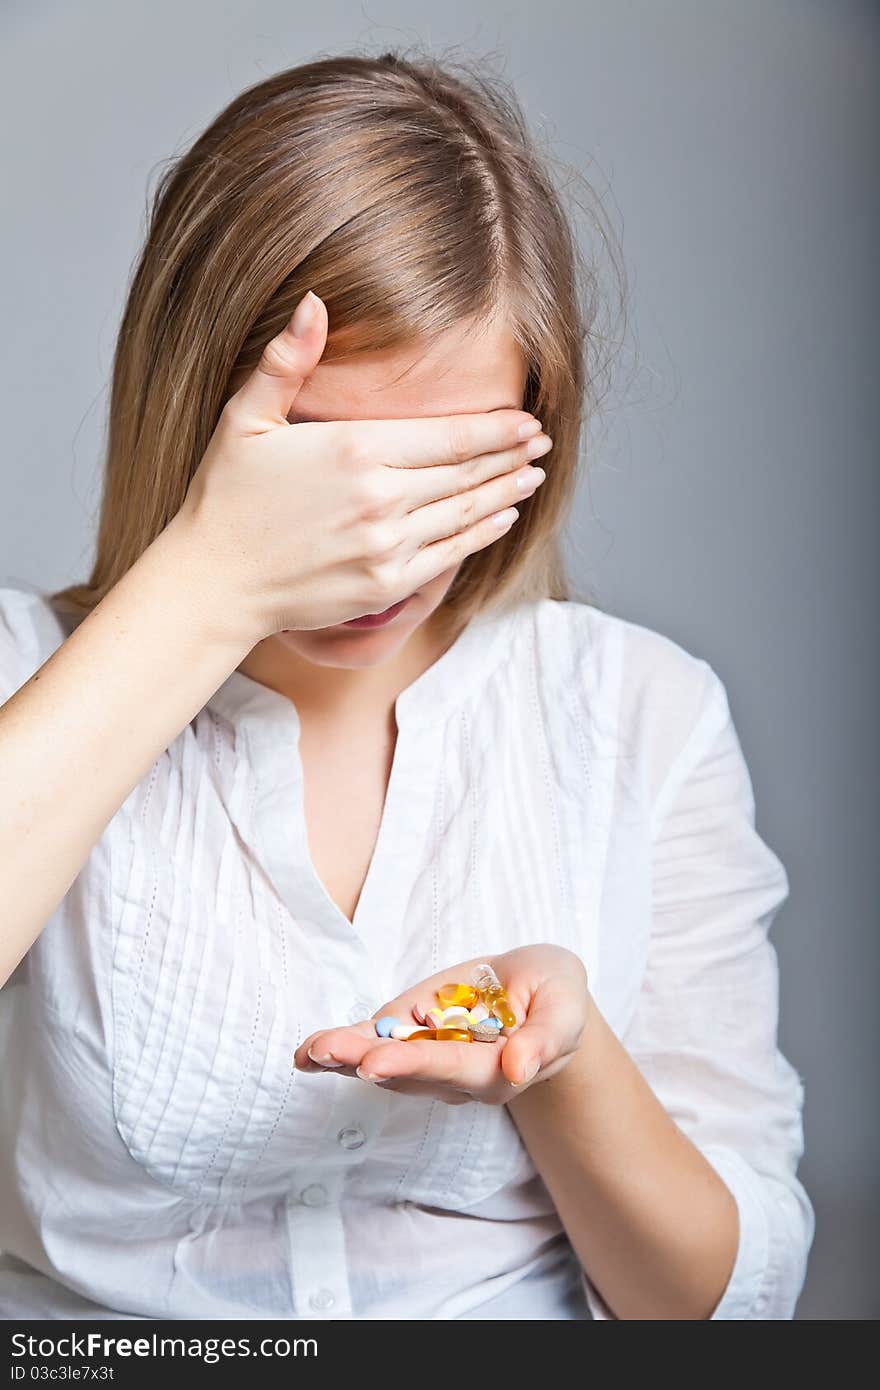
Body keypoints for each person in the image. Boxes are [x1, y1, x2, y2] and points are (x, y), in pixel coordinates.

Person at [0, 50, 813, 1320]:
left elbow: (719, 1304)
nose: (380, 543)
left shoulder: (640, 715)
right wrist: (213, 578)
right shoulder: (27, 680)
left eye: (441, 474)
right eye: (325, 469)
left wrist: (568, 1062)